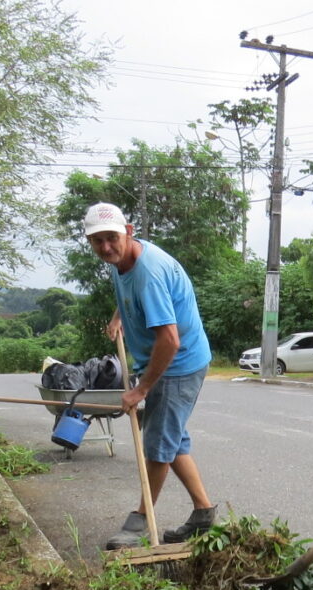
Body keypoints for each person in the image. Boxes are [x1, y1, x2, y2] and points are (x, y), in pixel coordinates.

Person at [83, 202, 219, 549]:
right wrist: (119, 316)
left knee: (158, 446)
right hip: (166, 359)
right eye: (97, 241)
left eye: (111, 238)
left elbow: (169, 340)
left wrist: (140, 390)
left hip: (178, 363)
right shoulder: (124, 259)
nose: (106, 248)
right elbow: (127, 289)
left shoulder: (150, 273)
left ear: (127, 231)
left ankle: (140, 522)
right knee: (172, 440)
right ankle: (204, 514)